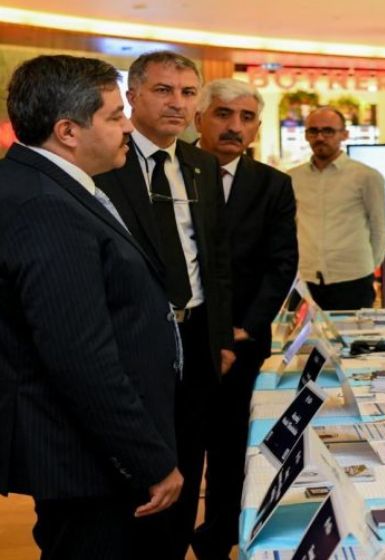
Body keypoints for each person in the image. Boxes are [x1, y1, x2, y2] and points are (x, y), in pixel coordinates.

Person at [0, 54, 182, 559]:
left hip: (91, 452)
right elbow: (80, 357)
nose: (128, 126)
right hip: (87, 459)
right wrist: (149, 461)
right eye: (114, 116)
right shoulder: (44, 205)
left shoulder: (51, 186)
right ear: (67, 131)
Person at [94, 50, 234, 560]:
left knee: (189, 456)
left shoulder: (200, 164)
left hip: (196, 336)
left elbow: (215, 260)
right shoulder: (106, 161)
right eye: (163, 90)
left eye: (188, 92)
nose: (178, 103)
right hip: (134, 340)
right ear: (131, 96)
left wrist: (220, 340)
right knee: (136, 465)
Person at [191, 79, 298, 560]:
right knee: (180, 448)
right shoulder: (167, 174)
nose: (235, 127)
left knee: (232, 449)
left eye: (247, 117)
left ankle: (218, 540)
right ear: (200, 118)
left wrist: (242, 329)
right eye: (223, 114)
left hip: (245, 339)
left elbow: (281, 264)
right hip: (177, 341)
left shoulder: (273, 185)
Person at [290, 107, 385, 310]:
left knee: (354, 340)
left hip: (353, 278)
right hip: (305, 279)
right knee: (305, 340)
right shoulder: (292, 178)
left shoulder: (366, 176)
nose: (320, 137)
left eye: (328, 131)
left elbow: (379, 226)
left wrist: (369, 266)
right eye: (313, 131)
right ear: (306, 135)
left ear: (344, 134)